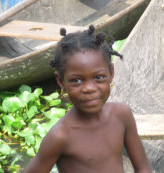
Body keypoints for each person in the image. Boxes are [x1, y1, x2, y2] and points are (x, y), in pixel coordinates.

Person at [24, 25, 151, 173]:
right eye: (76, 80)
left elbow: (143, 168)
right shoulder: (61, 136)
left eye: (99, 77)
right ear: (60, 81)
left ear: (111, 73)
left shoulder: (122, 114)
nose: (89, 88)